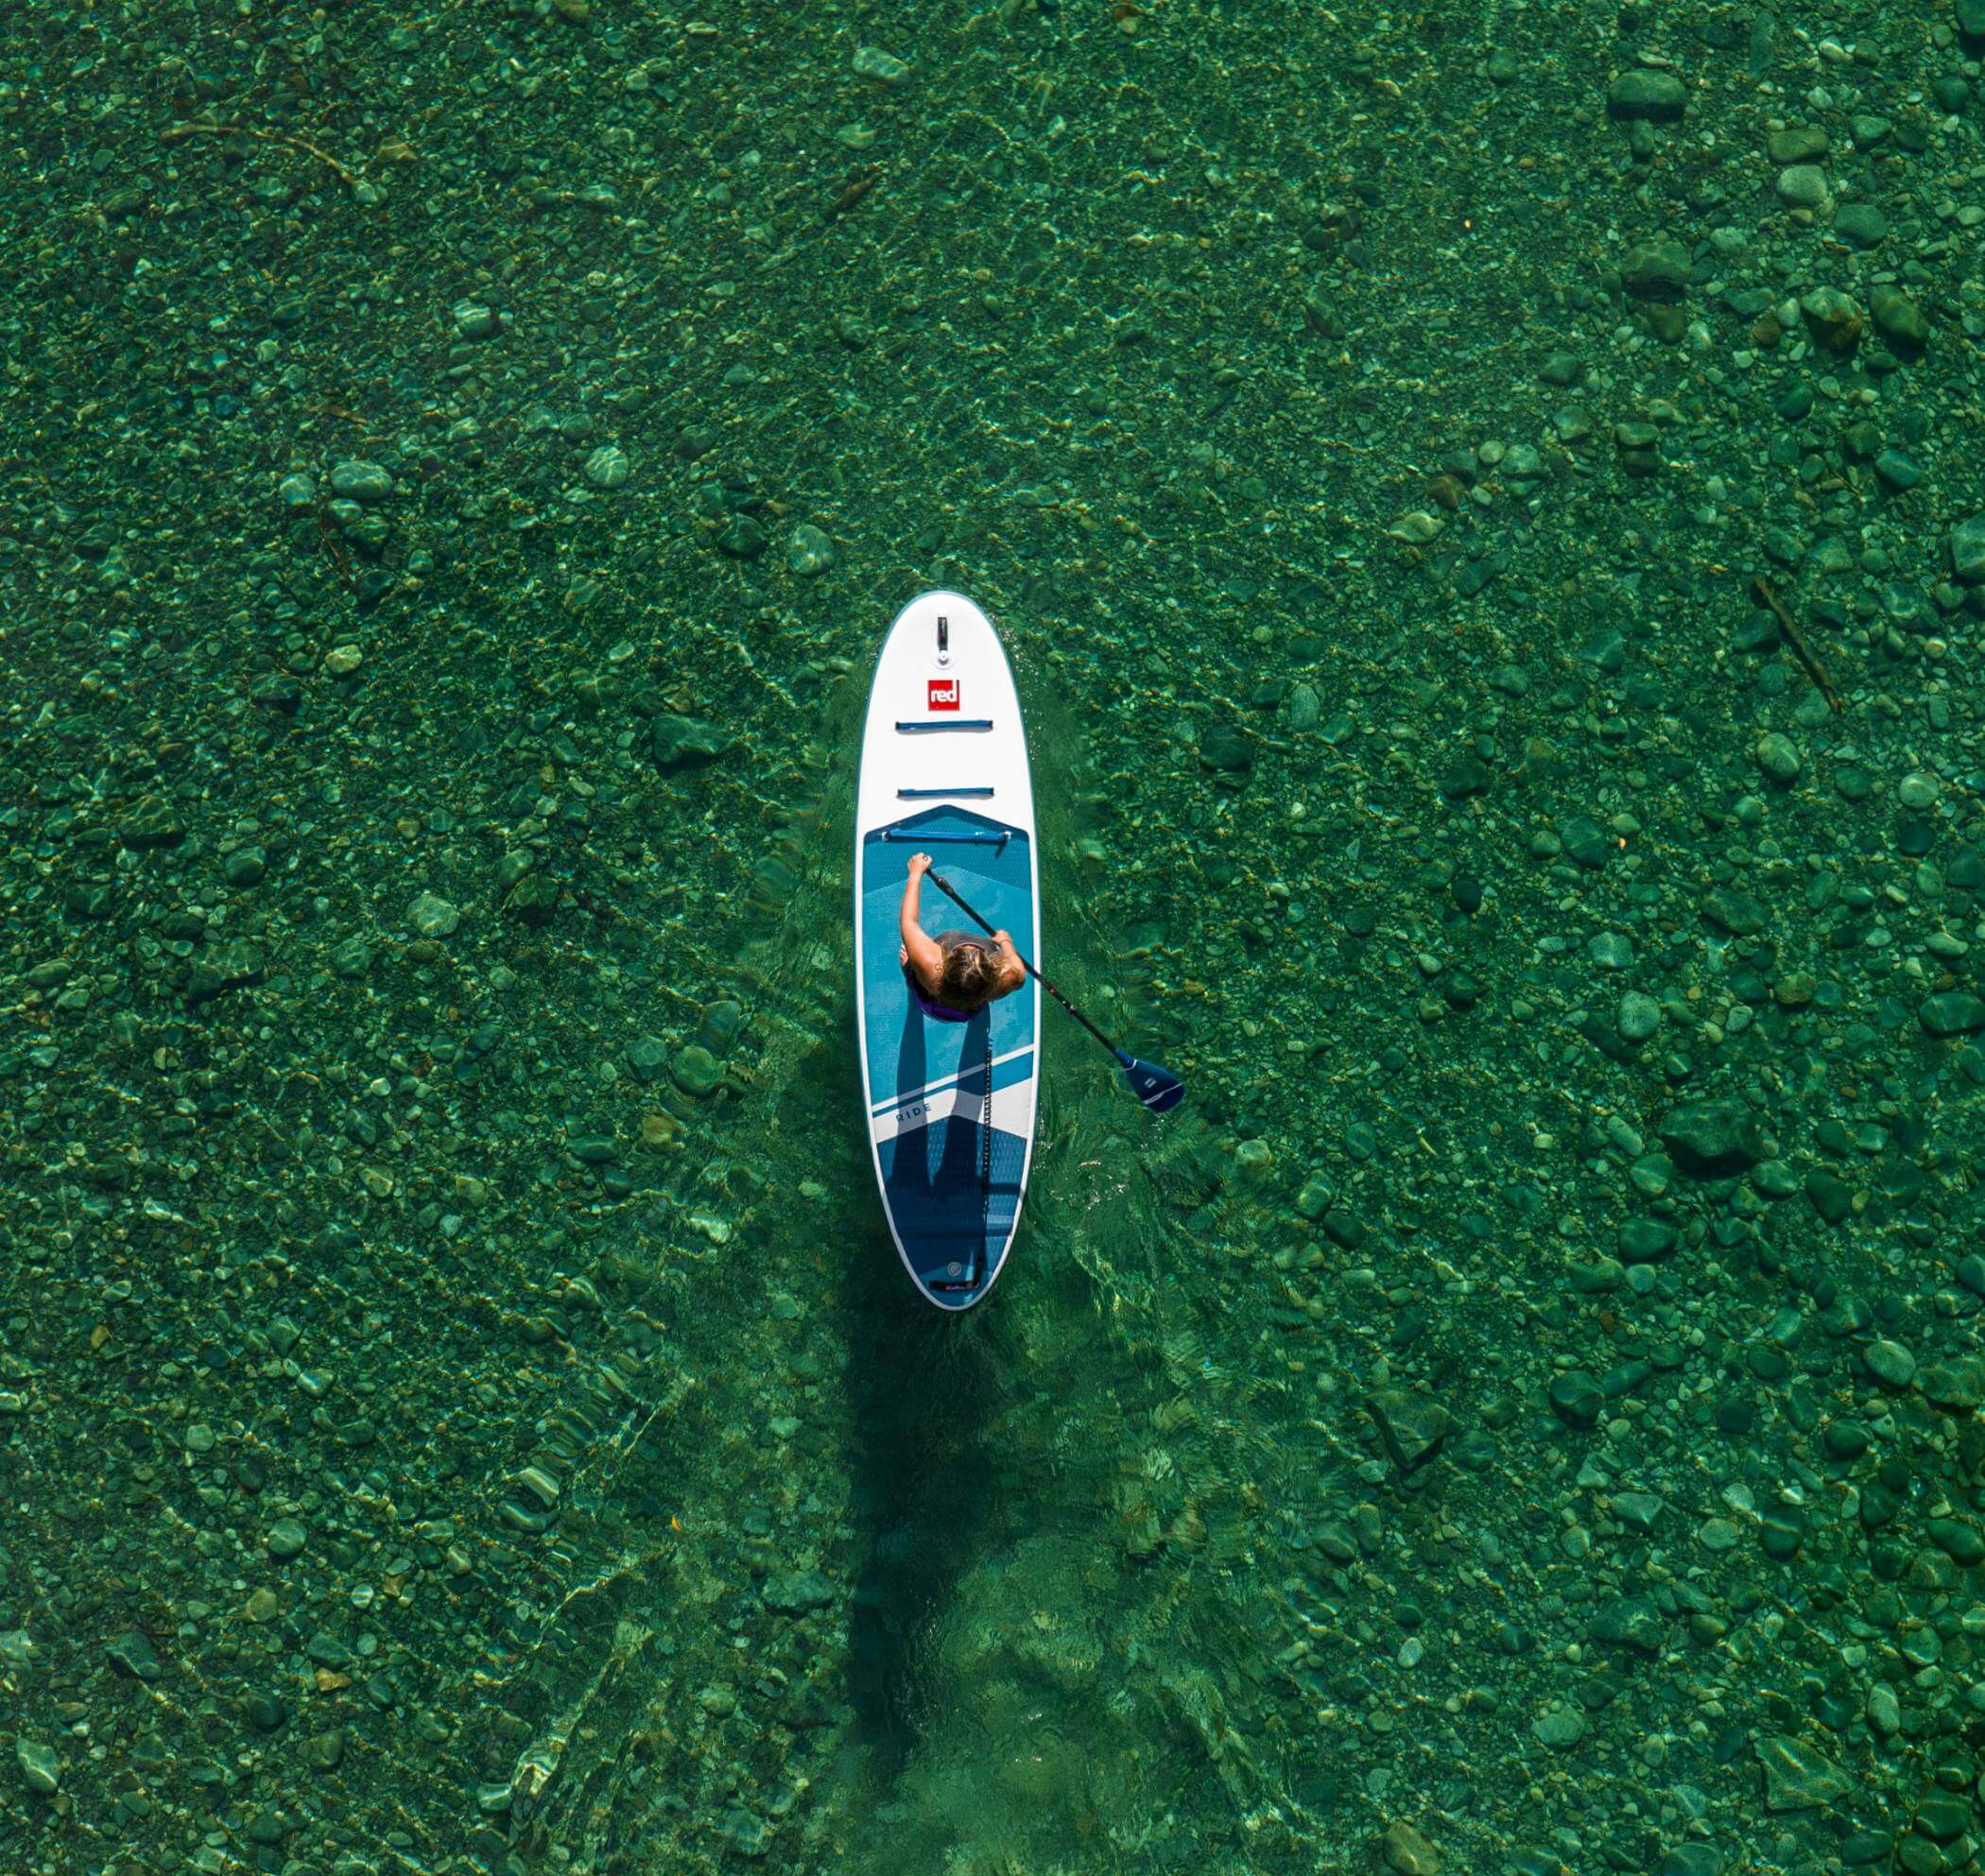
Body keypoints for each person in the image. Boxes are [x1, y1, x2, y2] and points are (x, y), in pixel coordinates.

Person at [898, 851, 1025, 1023]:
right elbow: (1019, 974)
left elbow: (909, 922)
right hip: (967, 1010)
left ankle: (909, 968)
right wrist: (1005, 942)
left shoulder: (930, 965)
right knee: (974, 999)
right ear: (992, 972)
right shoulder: (1002, 980)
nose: (970, 946)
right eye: (977, 953)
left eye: (963, 950)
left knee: (913, 964)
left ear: (944, 965)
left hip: (930, 1000)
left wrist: (915, 874)